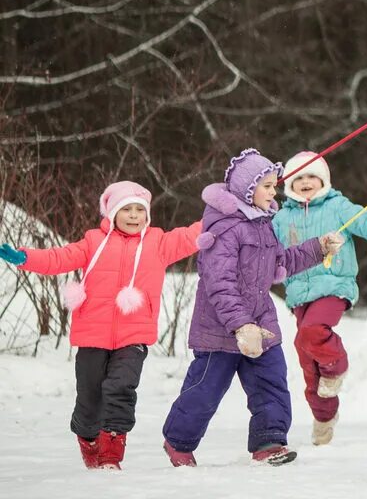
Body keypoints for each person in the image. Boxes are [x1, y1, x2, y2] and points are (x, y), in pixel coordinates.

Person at [1, 182, 201, 469]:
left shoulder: (158, 243)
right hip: (92, 334)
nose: (134, 216)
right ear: (111, 213)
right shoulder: (93, 242)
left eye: (139, 210)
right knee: (89, 397)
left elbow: (192, 235)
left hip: (133, 335)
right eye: (126, 209)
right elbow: (60, 258)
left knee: (121, 388)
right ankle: (88, 438)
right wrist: (26, 257)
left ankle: (111, 454)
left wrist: (226, 211)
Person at [162, 149, 343, 467]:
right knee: (205, 390)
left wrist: (318, 247)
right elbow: (220, 284)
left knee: (271, 382)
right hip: (219, 330)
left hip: (262, 322)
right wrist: (240, 325)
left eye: (274, 186)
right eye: (268, 186)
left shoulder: (265, 224)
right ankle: (179, 441)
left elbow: (283, 261)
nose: (275, 192)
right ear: (248, 189)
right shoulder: (225, 230)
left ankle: (269, 441)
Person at [273, 151, 367, 445]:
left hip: (334, 285)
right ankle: (324, 416)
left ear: (323, 180)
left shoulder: (337, 206)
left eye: (310, 176)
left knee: (313, 332)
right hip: (299, 293)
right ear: (288, 184)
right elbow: (265, 248)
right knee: (306, 358)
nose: (304, 182)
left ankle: (337, 365)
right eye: (298, 177)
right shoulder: (281, 217)